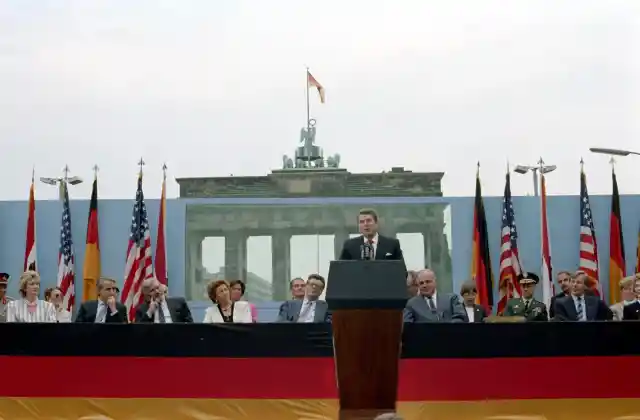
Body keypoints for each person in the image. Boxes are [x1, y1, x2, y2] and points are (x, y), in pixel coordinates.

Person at [339, 208, 404, 261]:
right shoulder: (349, 245)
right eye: (361, 222)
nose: (365, 224)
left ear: (376, 223)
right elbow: (341, 270)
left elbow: (401, 271)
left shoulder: (392, 244)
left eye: (368, 221)